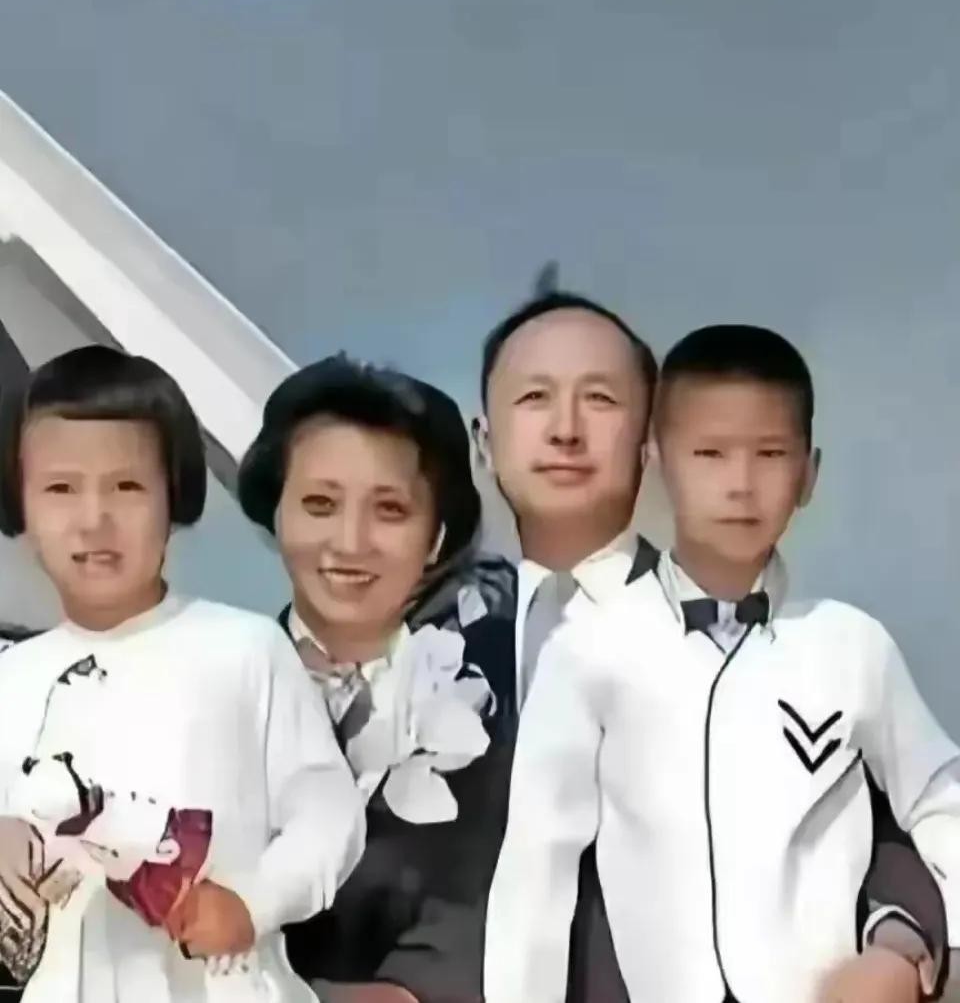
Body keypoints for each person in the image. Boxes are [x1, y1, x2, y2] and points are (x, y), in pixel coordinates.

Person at [483, 323, 960, 1003]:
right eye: (710, 453)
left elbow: (941, 797)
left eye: (770, 454)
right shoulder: (589, 645)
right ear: (657, 461)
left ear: (808, 474)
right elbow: (538, 865)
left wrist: (938, 943)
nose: (740, 484)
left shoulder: (851, 645)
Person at [0, 345, 365, 1002]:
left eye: (127, 487)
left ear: (174, 498)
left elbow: (328, 813)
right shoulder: (12, 679)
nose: (93, 519)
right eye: (60, 489)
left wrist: (253, 903)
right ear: (20, 505)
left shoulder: (244, 649)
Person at [237, 355, 517, 1003]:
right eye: (319, 504)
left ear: (437, 536)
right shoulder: (213, 691)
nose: (349, 542)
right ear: (276, 513)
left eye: (389, 510)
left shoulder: (513, 698)